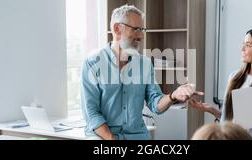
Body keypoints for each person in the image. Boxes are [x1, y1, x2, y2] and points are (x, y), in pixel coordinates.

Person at [81, 5, 202, 140]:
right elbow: (91, 113)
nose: (142, 35)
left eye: (143, 29)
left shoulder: (144, 64)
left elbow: (155, 103)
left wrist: (173, 96)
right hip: (103, 137)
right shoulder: (92, 64)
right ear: (117, 29)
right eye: (137, 29)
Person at [189, 27, 252, 140]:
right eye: (243, 44)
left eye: (248, 45)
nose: (242, 49)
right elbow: (230, 121)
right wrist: (212, 110)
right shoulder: (234, 77)